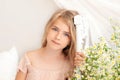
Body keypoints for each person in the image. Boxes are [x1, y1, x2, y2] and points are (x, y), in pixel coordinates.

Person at [15, 9, 85, 80]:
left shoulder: (70, 65)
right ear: (48, 28)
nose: (58, 37)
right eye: (55, 29)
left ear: (71, 40)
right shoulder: (29, 59)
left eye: (66, 34)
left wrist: (81, 68)